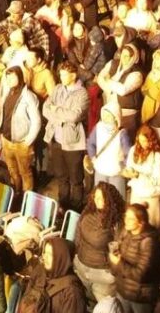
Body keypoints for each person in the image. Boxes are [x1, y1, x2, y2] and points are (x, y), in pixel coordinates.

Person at [43, 61, 90, 212]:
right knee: (61, 176)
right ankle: (63, 206)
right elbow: (45, 108)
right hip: (56, 140)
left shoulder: (82, 93)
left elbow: (74, 116)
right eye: (60, 74)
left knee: (76, 179)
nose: (61, 77)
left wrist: (55, 111)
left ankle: (75, 209)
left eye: (64, 74)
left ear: (73, 75)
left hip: (72, 143)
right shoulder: (57, 89)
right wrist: (60, 113)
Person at [110, 203, 160, 313]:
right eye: (126, 216)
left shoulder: (149, 242)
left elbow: (140, 274)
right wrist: (113, 262)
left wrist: (119, 263)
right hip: (123, 291)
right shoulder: (126, 233)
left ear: (141, 223)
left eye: (131, 219)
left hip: (140, 297)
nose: (126, 220)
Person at [74, 183, 123, 302]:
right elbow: (78, 237)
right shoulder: (88, 213)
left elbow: (117, 247)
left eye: (101, 197)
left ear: (109, 199)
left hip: (102, 275)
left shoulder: (117, 220)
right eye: (95, 197)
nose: (97, 200)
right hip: (82, 267)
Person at [0, 65, 41, 195]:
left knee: (25, 172)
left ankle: (27, 197)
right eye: (8, 77)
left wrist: (28, 141)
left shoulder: (28, 97)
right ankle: (16, 192)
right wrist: (0, 131)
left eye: (13, 77)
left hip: (22, 142)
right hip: (7, 139)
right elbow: (4, 114)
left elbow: (36, 121)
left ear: (20, 77)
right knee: (12, 170)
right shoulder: (7, 93)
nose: (10, 80)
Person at [42, 235, 86, 313]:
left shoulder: (72, 293)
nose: (44, 257)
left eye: (50, 255)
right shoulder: (48, 275)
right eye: (45, 253)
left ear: (61, 258)